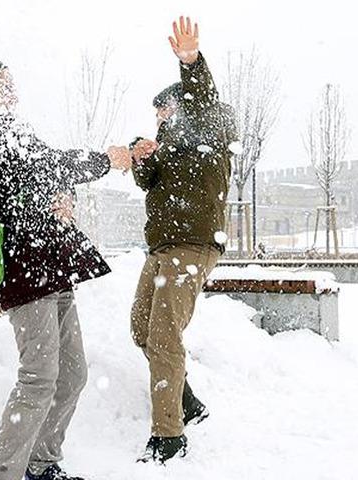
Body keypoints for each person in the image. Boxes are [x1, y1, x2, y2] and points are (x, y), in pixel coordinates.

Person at [0, 58, 132, 480]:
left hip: (53, 264)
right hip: (25, 268)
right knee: (39, 377)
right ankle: (2, 474)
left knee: (72, 374)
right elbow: (38, 165)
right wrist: (104, 160)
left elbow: (44, 170)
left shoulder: (11, 130)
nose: (14, 93)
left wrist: (64, 194)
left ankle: (42, 466)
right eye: (4, 86)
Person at [128, 16, 238, 463]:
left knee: (163, 336)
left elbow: (203, 98)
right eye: (156, 114)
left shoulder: (210, 128)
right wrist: (140, 154)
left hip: (192, 246)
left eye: (165, 110)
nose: (160, 118)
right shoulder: (168, 146)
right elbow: (146, 182)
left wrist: (190, 61)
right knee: (141, 329)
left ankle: (168, 437)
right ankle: (186, 400)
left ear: (184, 106)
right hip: (162, 249)